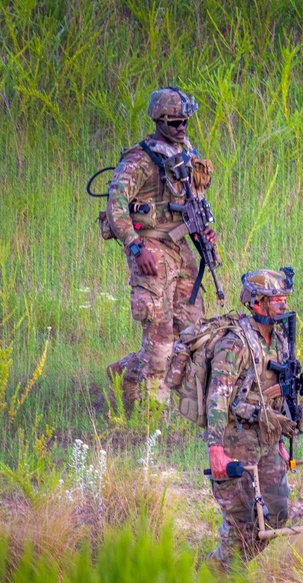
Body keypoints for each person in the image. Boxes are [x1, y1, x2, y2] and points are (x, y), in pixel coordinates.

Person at [105, 87, 216, 408]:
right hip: (150, 249)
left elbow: (194, 199)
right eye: (175, 123)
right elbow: (116, 207)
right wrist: (135, 247)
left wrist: (205, 231)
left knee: (192, 332)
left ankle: (125, 372)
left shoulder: (185, 151)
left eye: (185, 122)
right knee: (159, 336)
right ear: (159, 121)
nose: (181, 128)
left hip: (180, 248)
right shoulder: (139, 159)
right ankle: (154, 418)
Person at [205, 269, 299, 566]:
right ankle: (217, 579)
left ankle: (235, 567)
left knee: (279, 512)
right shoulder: (235, 343)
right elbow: (218, 397)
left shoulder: (280, 338)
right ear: (256, 303)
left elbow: (278, 393)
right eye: (276, 299)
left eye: (284, 298)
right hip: (236, 442)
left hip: (268, 439)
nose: (283, 305)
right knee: (240, 522)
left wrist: (281, 440)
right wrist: (216, 450)